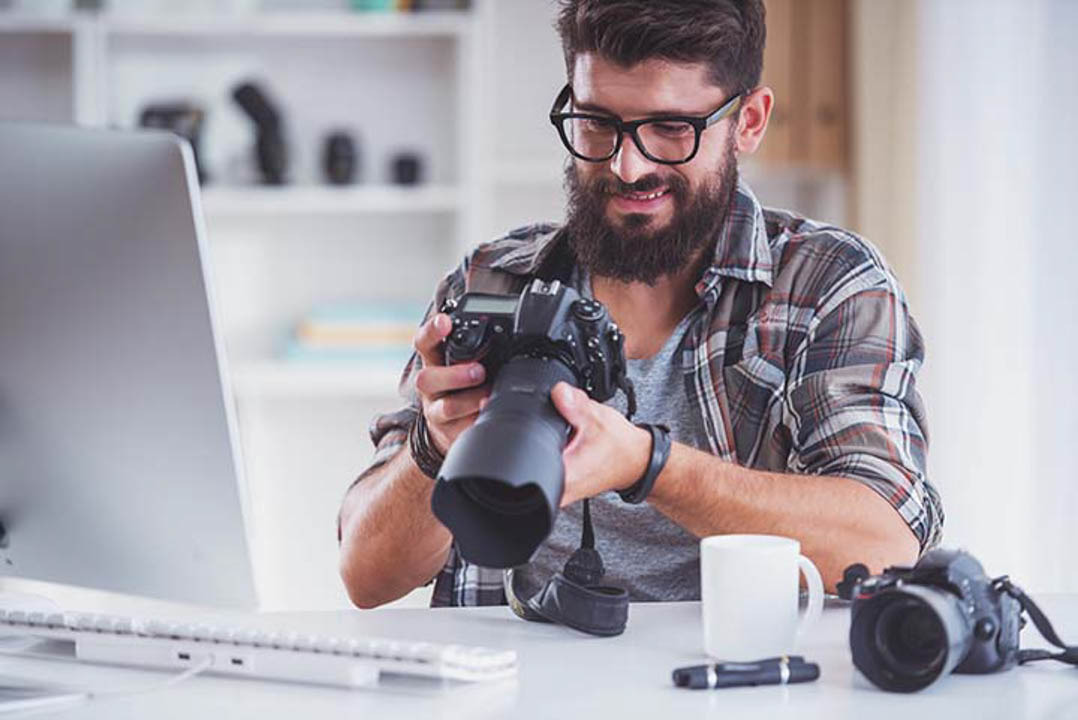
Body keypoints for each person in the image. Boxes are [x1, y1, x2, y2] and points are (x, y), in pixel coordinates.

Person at [338, 0, 943, 609]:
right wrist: (433, 446)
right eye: (597, 122)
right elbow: (366, 577)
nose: (628, 165)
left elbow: (885, 540)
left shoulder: (826, 284)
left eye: (672, 128)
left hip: (739, 690)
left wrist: (649, 465)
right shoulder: (494, 283)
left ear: (749, 121)